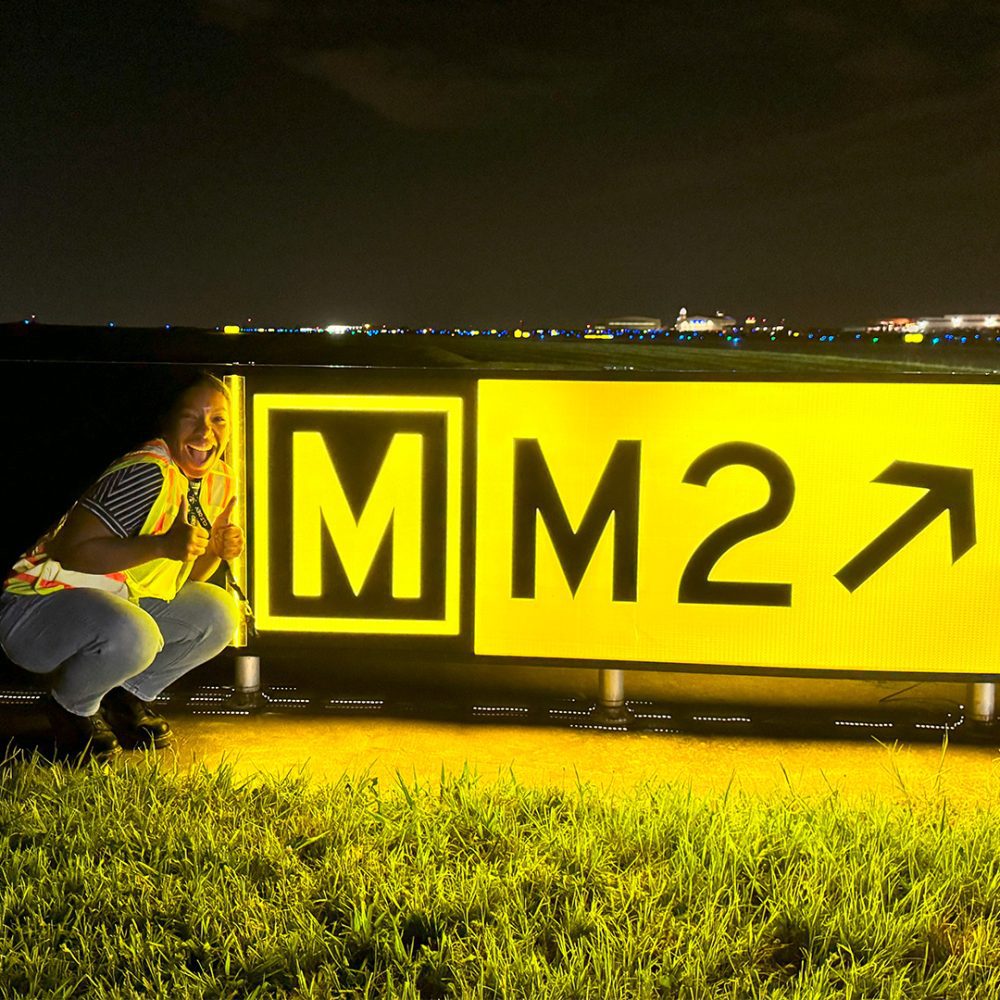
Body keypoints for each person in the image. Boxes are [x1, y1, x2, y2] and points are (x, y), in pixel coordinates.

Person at [0, 371, 244, 760]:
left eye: (218, 419)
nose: (205, 432)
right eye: (190, 418)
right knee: (137, 634)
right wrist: (163, 543)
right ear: (165, 422)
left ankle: (122, 699)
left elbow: (184, 577)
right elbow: (70, 552)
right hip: (33, 606)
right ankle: (72, 707)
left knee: (219, 613)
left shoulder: (217, 480)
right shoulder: (147, 471)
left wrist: (213, 548)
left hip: (107, 601)